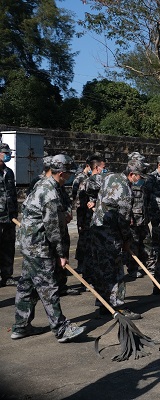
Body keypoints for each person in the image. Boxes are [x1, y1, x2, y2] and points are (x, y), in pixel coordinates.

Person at [12, 154, 85, 342]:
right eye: (68, 173)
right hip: (38, 245)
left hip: (28, 242)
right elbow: (53, 228)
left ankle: (21, 326)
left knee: (27, 285)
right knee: (48, 286)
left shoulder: (43, 184)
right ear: (61, 173)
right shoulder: (50, 193)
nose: (69, 177)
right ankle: (60, 329)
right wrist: (61, 254)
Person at [89, 159, 147, 319]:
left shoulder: (109, 177)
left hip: (96, 229)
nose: (140, 180)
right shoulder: (126, 192)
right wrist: (127, 240)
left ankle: (103, 304)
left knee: (102, 268)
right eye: (139, 176)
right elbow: (123, 220)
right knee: (116, 270)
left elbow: (91, 184)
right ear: (131, 174)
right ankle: (118, 305)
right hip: (110, 234)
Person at [0, 143, 18, 287]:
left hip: (9, 217)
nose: (8, 155)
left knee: (8, 247)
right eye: (5, 152)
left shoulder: (9, 172)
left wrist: (14, 214)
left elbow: (12, 194)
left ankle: (7, 275)